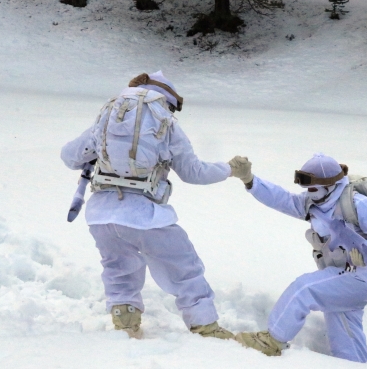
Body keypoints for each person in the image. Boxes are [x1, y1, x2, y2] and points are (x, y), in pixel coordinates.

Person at [61, 71, 237, 340]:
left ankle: (126, 325)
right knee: (184, 269)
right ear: (167, 100)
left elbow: (70, 156)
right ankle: (206, 327)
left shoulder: (108, 117)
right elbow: (194, 172)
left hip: (101, 216)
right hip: (146, 216)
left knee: (119, 269)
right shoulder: (164, 121)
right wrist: (229, 169)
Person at [227, 153, 367, 362]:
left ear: (330, 185)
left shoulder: (357, 204)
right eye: (307, 188)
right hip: (340, 276)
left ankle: (272, 341)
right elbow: (282, 199)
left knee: (303, 289)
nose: (309, 193)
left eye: (313, 188)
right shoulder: (314, 202)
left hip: (362, 277)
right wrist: (250, 180)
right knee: (345, 336)